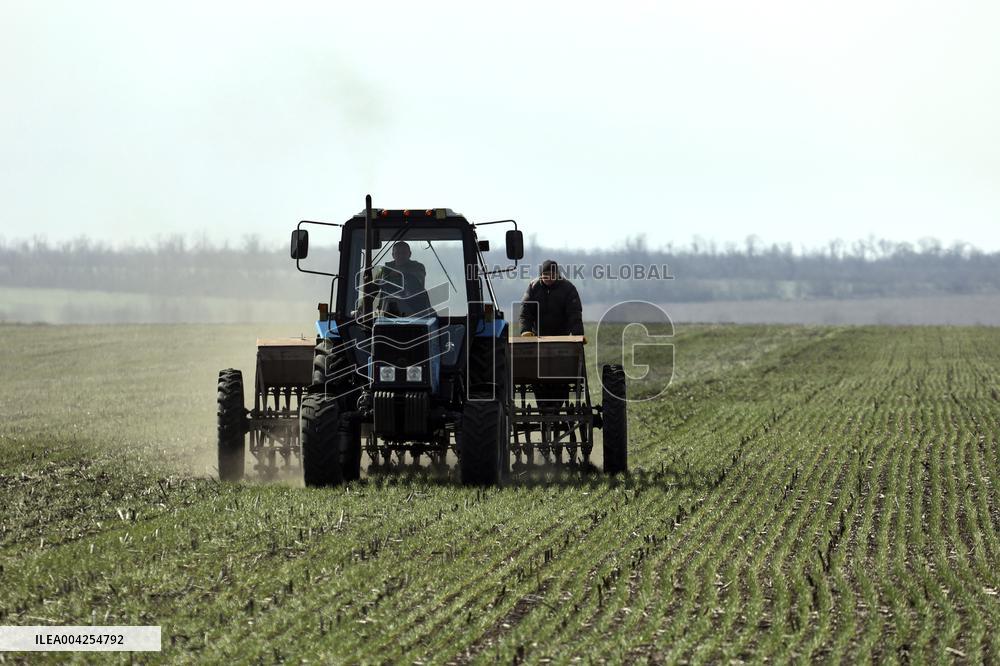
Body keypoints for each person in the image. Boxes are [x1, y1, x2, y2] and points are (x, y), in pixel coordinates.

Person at [518, 259, 584, 337]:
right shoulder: (533, 287)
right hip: (538, 336)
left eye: (552, 275)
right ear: (541, 275)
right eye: (545, 274)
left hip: (562, 337)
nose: (549, 278)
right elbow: (525, 312)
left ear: (557, 275)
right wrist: (525, 330)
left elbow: (574, 314)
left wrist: (578, 336)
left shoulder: (568, 288)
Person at [373, 241, 431, 316]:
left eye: (403, 253)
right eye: (397, 253)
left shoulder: (418, 267)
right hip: (387, 314)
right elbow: (371, 290)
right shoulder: (384, 271)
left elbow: (418, 280)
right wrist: (361, 309)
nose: (400, 256)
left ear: (409, 254)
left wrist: (401, 274)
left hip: (415, 314)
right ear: (393, 255)